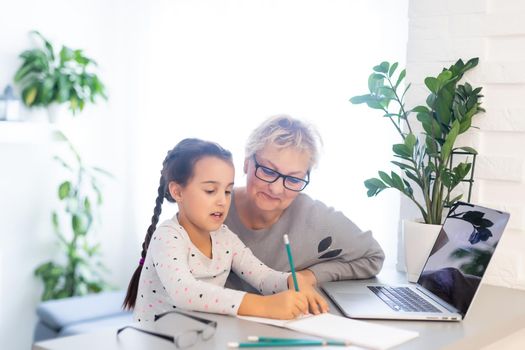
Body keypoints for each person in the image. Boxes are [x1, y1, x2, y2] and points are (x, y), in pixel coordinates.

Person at [123, 138, 328, 322]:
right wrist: (264, 306)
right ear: (177, 191)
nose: (222, 201)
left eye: (228, 191)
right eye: (210, 190)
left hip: (201, 338)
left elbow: (262, 277)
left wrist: (291, 281)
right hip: (156, 342)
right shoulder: (167, 237)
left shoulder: (224, 238)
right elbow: (186, 292)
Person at [225, 115, 385, 292]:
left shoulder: (313, 217)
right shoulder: (213, 207)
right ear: (247, 163)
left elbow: (373, 256)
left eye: (293, 179)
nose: (276, 189)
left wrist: (309, 276)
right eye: (268, 171)